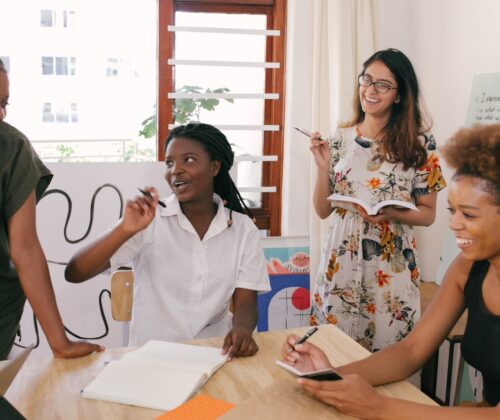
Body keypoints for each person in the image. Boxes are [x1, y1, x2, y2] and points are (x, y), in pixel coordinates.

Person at [281, 124, 500, 417]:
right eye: (452, 211)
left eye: (469, 214)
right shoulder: (467, 268)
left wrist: (378, 406)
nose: (454, 224)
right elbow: (410, 352)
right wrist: (330, 374)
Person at [65, 122, 270, 358]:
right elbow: (75, 272)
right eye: (170, 163)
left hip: (215, 353)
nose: (175, 170)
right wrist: (124, 229)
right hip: (152, 356)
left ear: (214, 167)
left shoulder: (242, 229)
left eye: (189, 160)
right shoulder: (150, 220)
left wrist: (242, 330)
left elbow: (246, 300)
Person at [309, 48, 446, 351]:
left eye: (383, 84)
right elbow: (322, 211)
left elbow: (428, 215)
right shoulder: (339, 138)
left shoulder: (421, 144)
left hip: (391, 268)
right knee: (332, 356)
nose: (370, 90)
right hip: (340, 262)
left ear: (399, 95)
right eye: (367, 80)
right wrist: (322, 168)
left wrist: (391, 214)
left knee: (389, 357)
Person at [0, 58, 103, 360]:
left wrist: (61, 343)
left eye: (4, 103)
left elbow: (26, 248)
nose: (0, 114)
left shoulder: (12, 148)